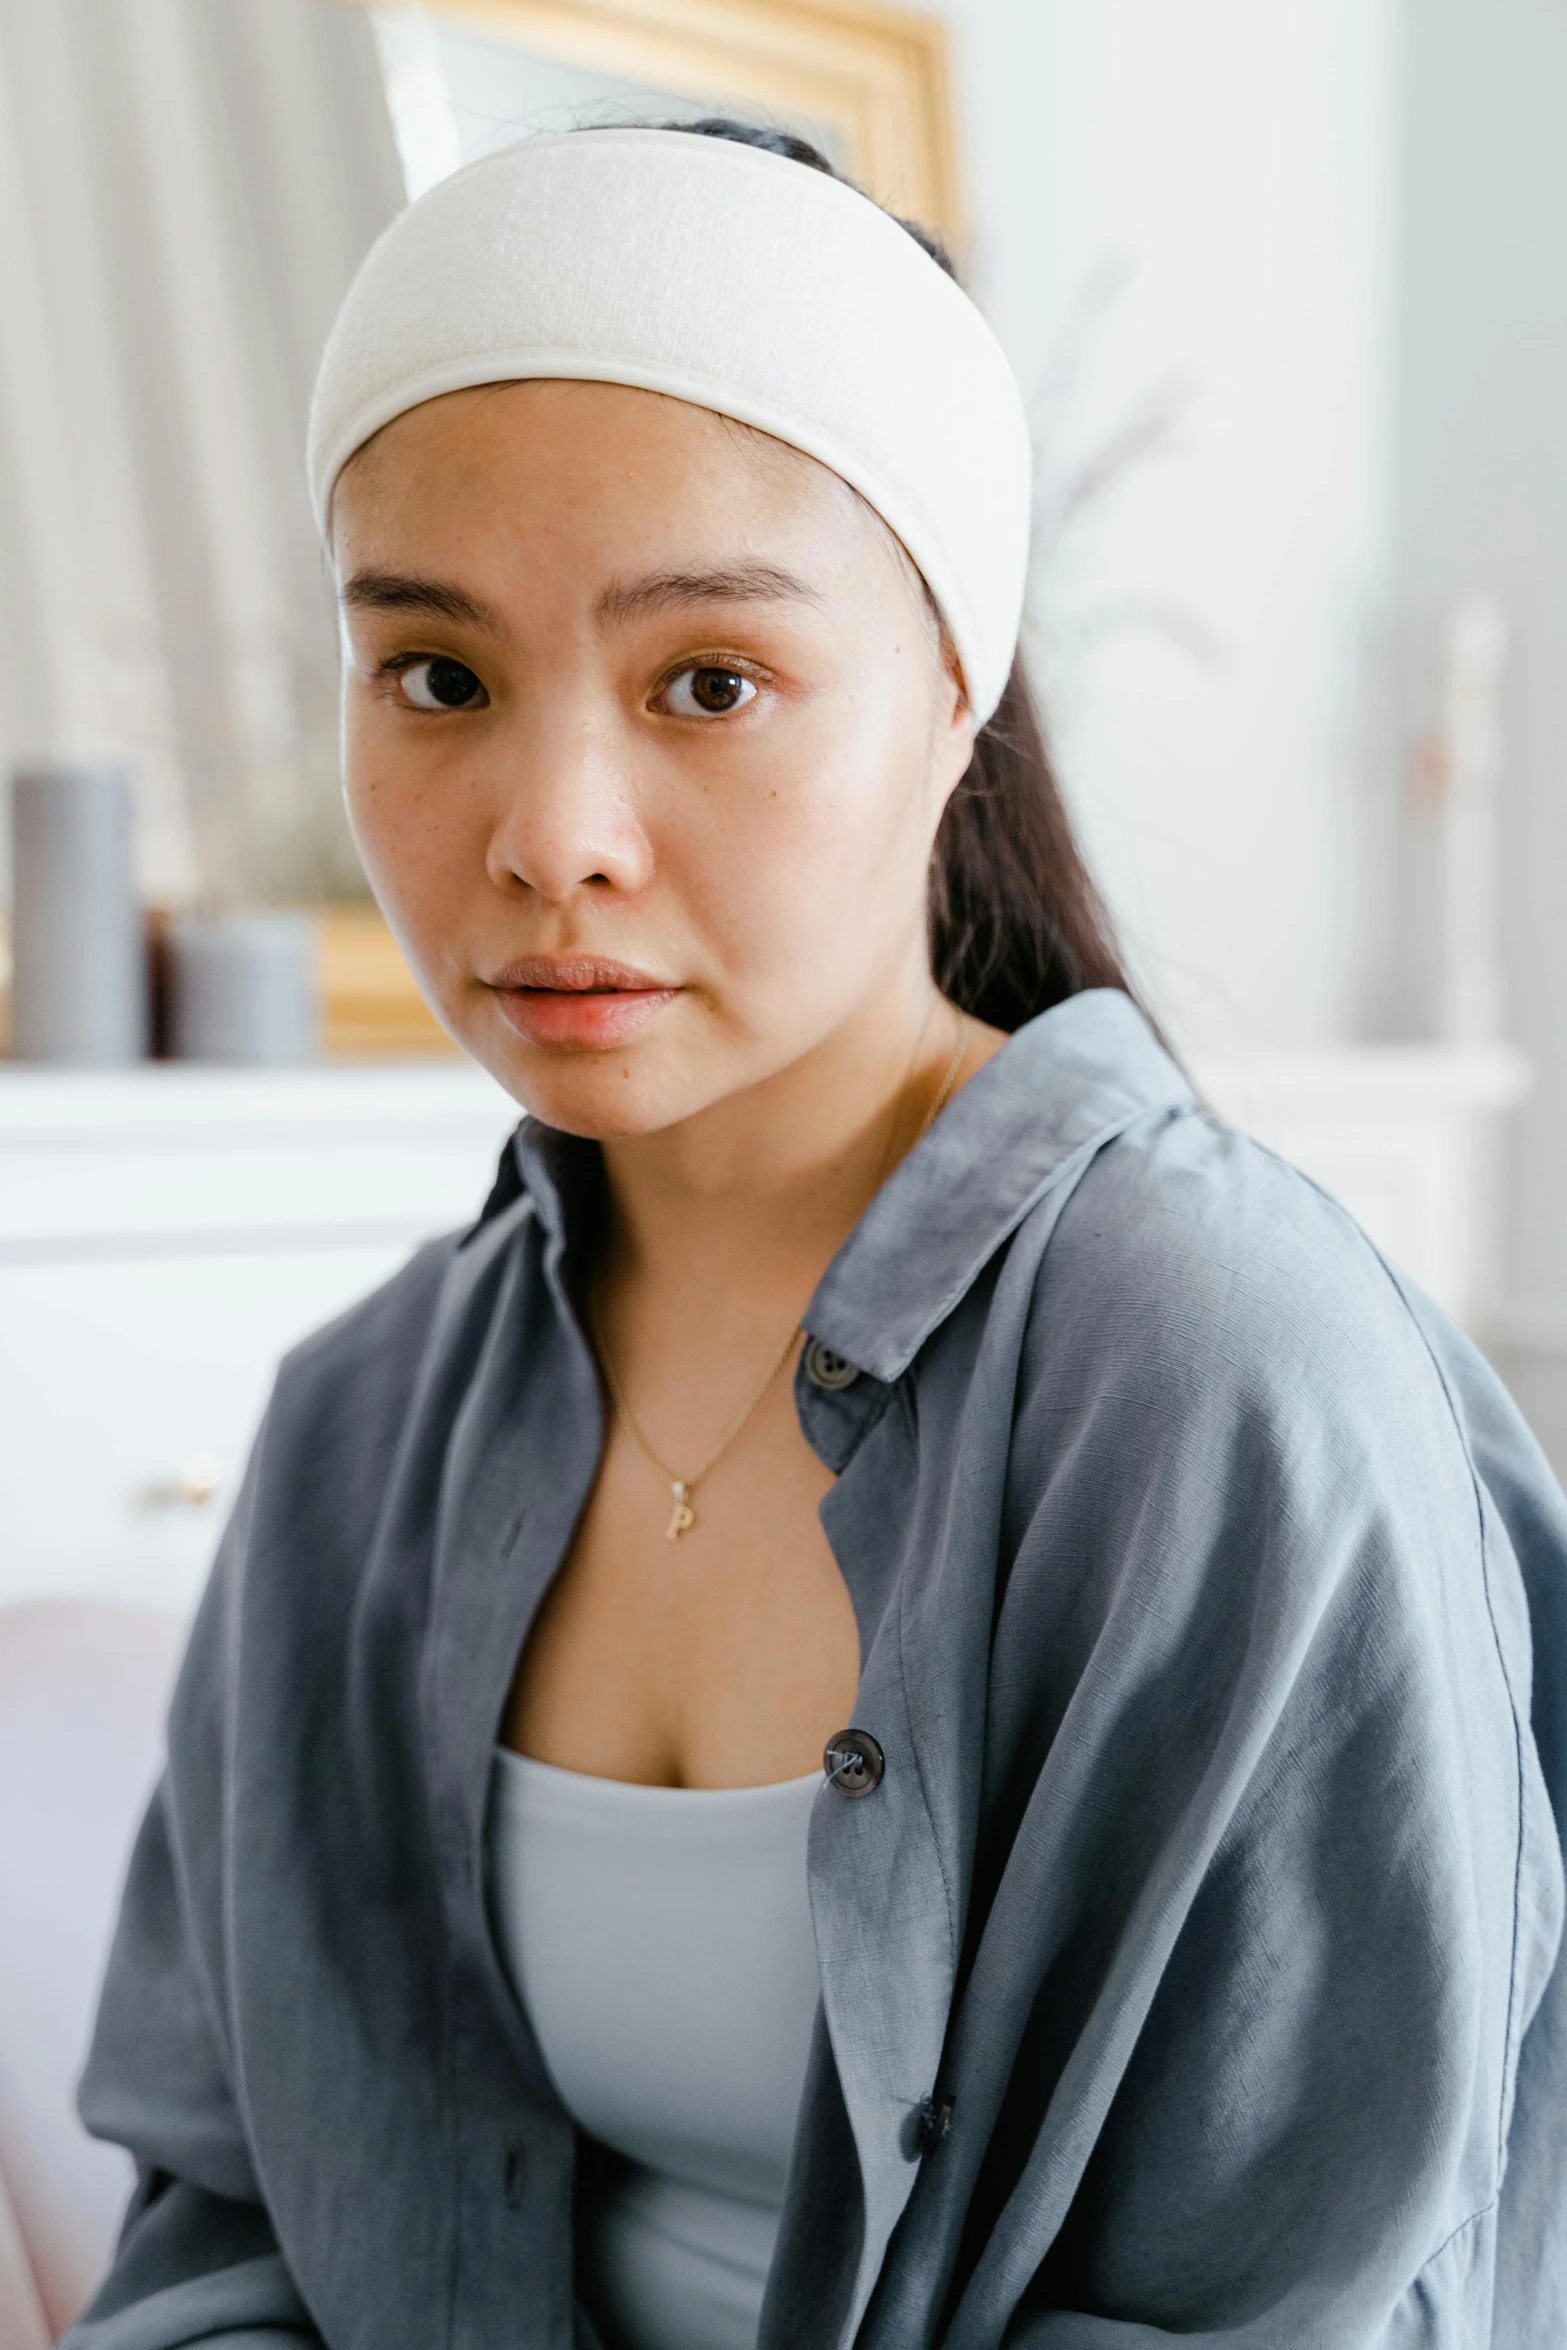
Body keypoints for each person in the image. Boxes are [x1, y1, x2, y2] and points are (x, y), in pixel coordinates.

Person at [65, 120, 1567, 2350]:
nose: (550, 837)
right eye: (440, 677)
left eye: (708, 682)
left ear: (954, 682)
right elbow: (228, 2239)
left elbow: (1292, 2302)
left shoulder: (1222, 1378)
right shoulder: (357, 1433)